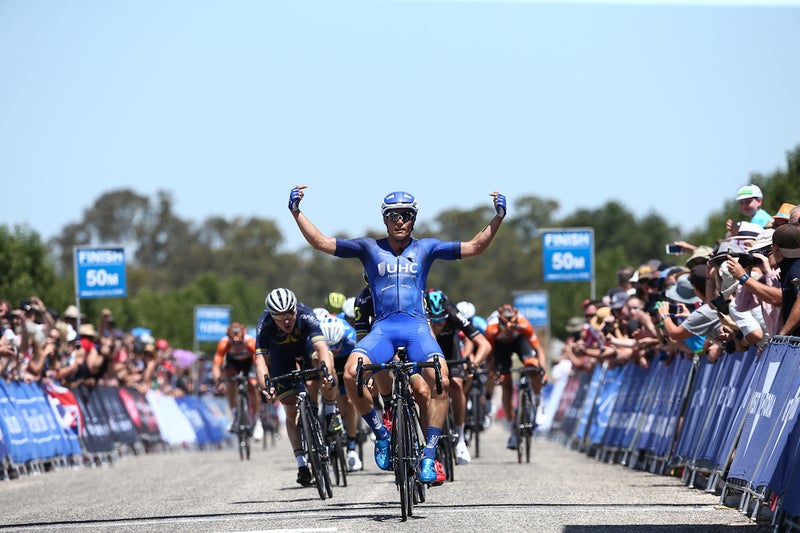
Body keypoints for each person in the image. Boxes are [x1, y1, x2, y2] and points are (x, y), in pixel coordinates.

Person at [288, 185, 506, 484]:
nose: (399, 221)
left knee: (441, 380)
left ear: (413, 218)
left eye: (405, 215)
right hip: (384, 329)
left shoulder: (427, 248)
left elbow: (474, 247)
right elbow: (321, 243)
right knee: (351, 374)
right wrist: (296, 212)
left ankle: (429, 455)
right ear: (385, 219)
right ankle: (380, 433)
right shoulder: (368, 248)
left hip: (417, 327)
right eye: (393, 216)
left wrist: (498, 217)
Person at [256, 288, 337, 487]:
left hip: (306, 349)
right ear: (271, 315)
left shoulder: (305, 314)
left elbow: (322, 348)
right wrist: (266, 386)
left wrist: (326, 373)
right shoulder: (265, 325)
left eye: (289, 314)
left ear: (295, 309)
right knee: (291, 410)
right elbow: (260, 361)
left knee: (321, 365)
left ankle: (328, 410)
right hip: (280, 358)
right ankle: (302, 464)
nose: (286, 320)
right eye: (279, 316)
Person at [425, 289, 491, 465]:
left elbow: (484, 345)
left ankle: (460, 439)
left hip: (450, 350)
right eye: (434, 321)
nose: (438, 325)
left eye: (441, 321)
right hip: (427, 349)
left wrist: (473, 363)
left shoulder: (454, 314)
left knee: (456, 384)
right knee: (424, 390)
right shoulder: (419, 316)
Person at [484, 303, 548, 450]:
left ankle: (538, 403)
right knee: (505, 384)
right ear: (500, 323)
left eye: (512, 328)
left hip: (520, 342)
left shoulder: (524, 324)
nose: (508, 332)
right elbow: (489, 357)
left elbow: (539, 350)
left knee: (533, 366)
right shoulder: (491, 329)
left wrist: (543, 372)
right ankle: (513, 428)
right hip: (500, 348)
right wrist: (493, 374)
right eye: (506, 329)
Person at [318, 315, 363, 472]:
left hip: (346, 362)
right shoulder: (316, 337)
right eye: (331, 347)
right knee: (330, 389)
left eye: (337, 346)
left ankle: (351, 448)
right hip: (324, 361)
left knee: (350, 401)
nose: (334, 350)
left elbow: (358, 363)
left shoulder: (351, 338)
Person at [212, 322, 259, 434]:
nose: (237, 346)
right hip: (232, 364)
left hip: (249, 364)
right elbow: (216, 365)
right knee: (230, 385)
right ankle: (234, 413)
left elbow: (259, 363)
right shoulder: (223, 343)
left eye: (239, 342)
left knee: (252, 387)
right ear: (228, 338)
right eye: (233, 343)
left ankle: (257, 420)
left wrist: (259, 379)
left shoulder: (251, 342)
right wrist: (218, 380)